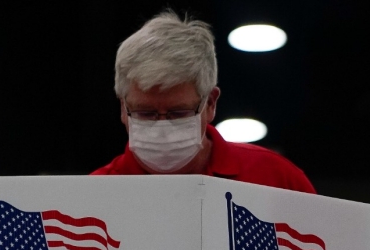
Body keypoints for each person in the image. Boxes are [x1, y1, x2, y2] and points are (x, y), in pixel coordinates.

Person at [92, 11, 315, 194]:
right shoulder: (92, 193)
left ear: (210, 103)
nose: (162, 127)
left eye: (178, 113)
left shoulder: (277, 180)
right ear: (123, 107)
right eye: (145, 113)